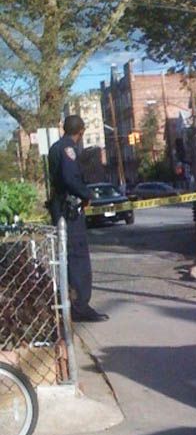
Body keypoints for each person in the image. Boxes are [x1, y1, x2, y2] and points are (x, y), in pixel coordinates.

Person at [48, 115, 109, 323]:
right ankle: (80, 307)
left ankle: (70, 303)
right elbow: (70, 178)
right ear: (81, 131)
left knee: (68, 257)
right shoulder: (68, 149)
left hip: (61, 208)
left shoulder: (55, 147)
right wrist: (86, 195)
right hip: (70, 210)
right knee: (78, 258)